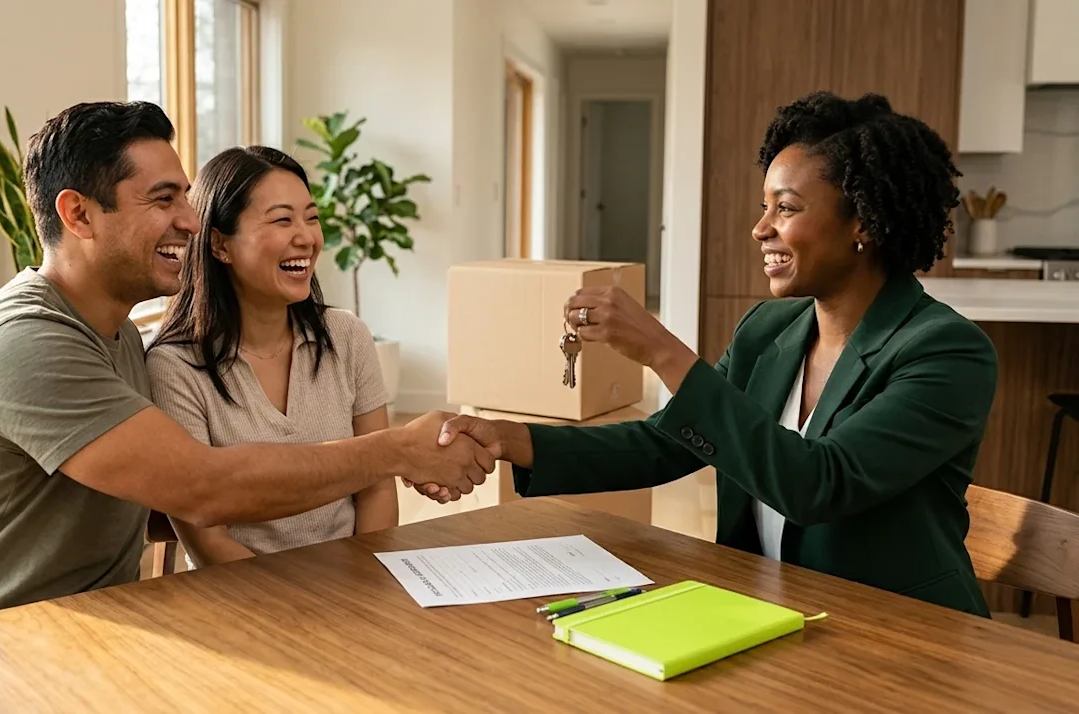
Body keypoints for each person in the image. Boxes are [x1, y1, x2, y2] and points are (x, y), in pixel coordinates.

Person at [0, 102, 492, 629]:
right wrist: (395, 450)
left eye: (185, 195)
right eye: (163, 199)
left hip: (97, 627)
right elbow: (205, 488)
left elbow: (160, 495)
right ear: (78, 215)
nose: (189, 218)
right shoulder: (23, 344)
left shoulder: (120, 337)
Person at [427, 91, 999, 617]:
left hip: (901, 632)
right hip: (775, 614)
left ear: (864, 222)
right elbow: (664, 442)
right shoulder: (767, 330)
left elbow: (819, 484)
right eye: (764, 206)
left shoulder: (946, 353)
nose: (759, 229)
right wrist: (510, 439)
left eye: (786, 208)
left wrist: (661, 350)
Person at [145, 146, 396, 566]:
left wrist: (364, 587)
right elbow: (207, 539)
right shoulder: (174, 367)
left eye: (311, 218)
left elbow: (377, 486)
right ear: (220, 245)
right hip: (241, 601)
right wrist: (298, 609)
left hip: (353, 584)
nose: (307, 237)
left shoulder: (347, 336)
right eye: (282, 219)